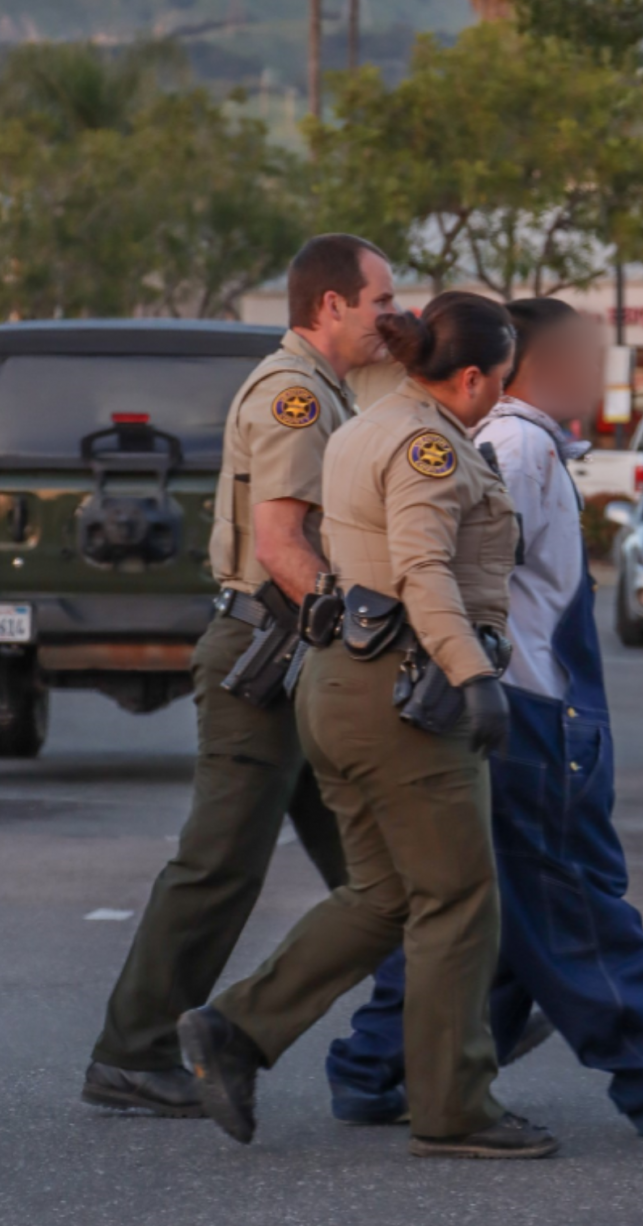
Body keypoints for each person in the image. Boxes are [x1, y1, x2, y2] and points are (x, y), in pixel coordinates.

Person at [324, 298, 643, 1138]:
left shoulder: (511, 440)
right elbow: (456, 570)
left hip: (530, 698)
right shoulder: (517, 443)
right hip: (530, 702)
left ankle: (376, 1064)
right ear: (524, 364)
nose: (594, 374)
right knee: (567, 898)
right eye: (579, 357)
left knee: (502, 909)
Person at [178, 291, 558, 1160]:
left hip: (343, 684)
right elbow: (423, 568)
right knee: (458, 899)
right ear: (471, 376)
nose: (501, 397)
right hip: (409, 691)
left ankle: (234, 1028)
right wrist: (476, 677)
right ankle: (454, 1106)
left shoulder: (364, 423)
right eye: (500, 381)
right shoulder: (428, 445)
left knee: (383, 894)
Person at [82, 234, 396, 1117]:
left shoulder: (335, 388)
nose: (393, 316)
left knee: (375, 865)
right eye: (382, 301)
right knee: (222, 863)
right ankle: (135, 1051)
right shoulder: (295, 394)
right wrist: (360, 628)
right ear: (331, 306)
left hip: (298, 655)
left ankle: (451, 1017)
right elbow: (280, 543)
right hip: (273, 654)